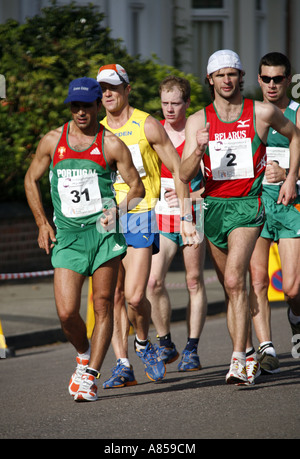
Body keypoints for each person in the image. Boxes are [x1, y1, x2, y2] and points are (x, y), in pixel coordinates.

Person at [180, 50, 300, 385]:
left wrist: (290, 178)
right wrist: (198, 152)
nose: (227, 80)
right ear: (210, 80)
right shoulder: (197, 121)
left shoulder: (260, 112)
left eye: (233, 74)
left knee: (236, 279)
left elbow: (296, 136)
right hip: (214, 207)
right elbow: (183, 172)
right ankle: (248, 351)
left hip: (249, 206)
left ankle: (238, 359)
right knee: (232, 289)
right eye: (220, 75)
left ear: (242, 77)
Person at [24, 77, 145, 402]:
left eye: (86, 106)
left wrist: (118, 212)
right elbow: (30, 179)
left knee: (103, 304)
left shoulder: (111, 144)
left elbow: (137, 188)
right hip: (69, 237)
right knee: (66, 313)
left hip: (104, 234)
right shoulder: (53, 141)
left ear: (96, 106)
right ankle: (83, 353)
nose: (80, 112)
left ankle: (90, 375)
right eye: (74, 106)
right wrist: (41, 223)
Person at [97, 64, 200, 388]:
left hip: (140, 213)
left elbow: (178, 170)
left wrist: (186, 217)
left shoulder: (147, 125)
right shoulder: (97, 130)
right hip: (105, 218)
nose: (108, 94)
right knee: (112, 295)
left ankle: (143, 342)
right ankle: (123, 364)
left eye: (114, 87)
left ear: (127, 89)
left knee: (135, 295)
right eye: (103, 89)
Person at [147, 75, 207, 371]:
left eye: (175, 103)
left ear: (187, 103)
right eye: (164, 103)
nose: (169, 109)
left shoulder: (199, 132)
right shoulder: (154, 130)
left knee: (193, 280)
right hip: (161, 215)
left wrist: (194, 195)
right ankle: (166, 342)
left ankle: (192, 349)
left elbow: (218, 180)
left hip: (194, 214)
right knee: (152, 281)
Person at [248, 52, 300, 373]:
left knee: (292, 288)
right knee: (257, 280)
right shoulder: (250, 114)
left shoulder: (297, 114)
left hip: (290, 206)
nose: (271, 85)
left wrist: (291, 176)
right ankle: (266, 349)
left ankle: (296, 318)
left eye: (277, 78)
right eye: (265, 78)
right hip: (256, 206)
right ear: (258, 80)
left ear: (288, 80)